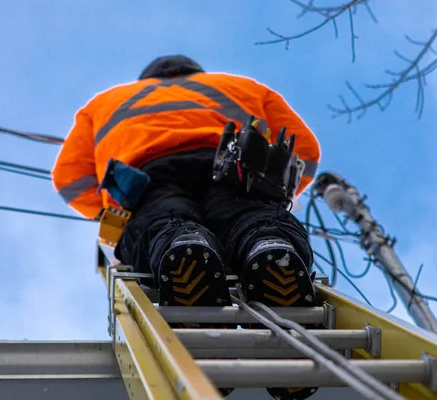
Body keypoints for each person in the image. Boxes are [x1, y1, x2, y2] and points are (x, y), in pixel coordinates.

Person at [51, 54, 321, 399]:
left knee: (164, 223)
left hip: (148, 178)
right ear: (196, 71)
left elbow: (69, 179)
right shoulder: (242, 86)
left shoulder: (105, 102)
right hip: (235, 169)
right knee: (251, 219)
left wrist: (108, 208)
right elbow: (306, 152)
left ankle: (184, 248)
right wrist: (280, 192)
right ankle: (269, 248)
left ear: (145, 78)